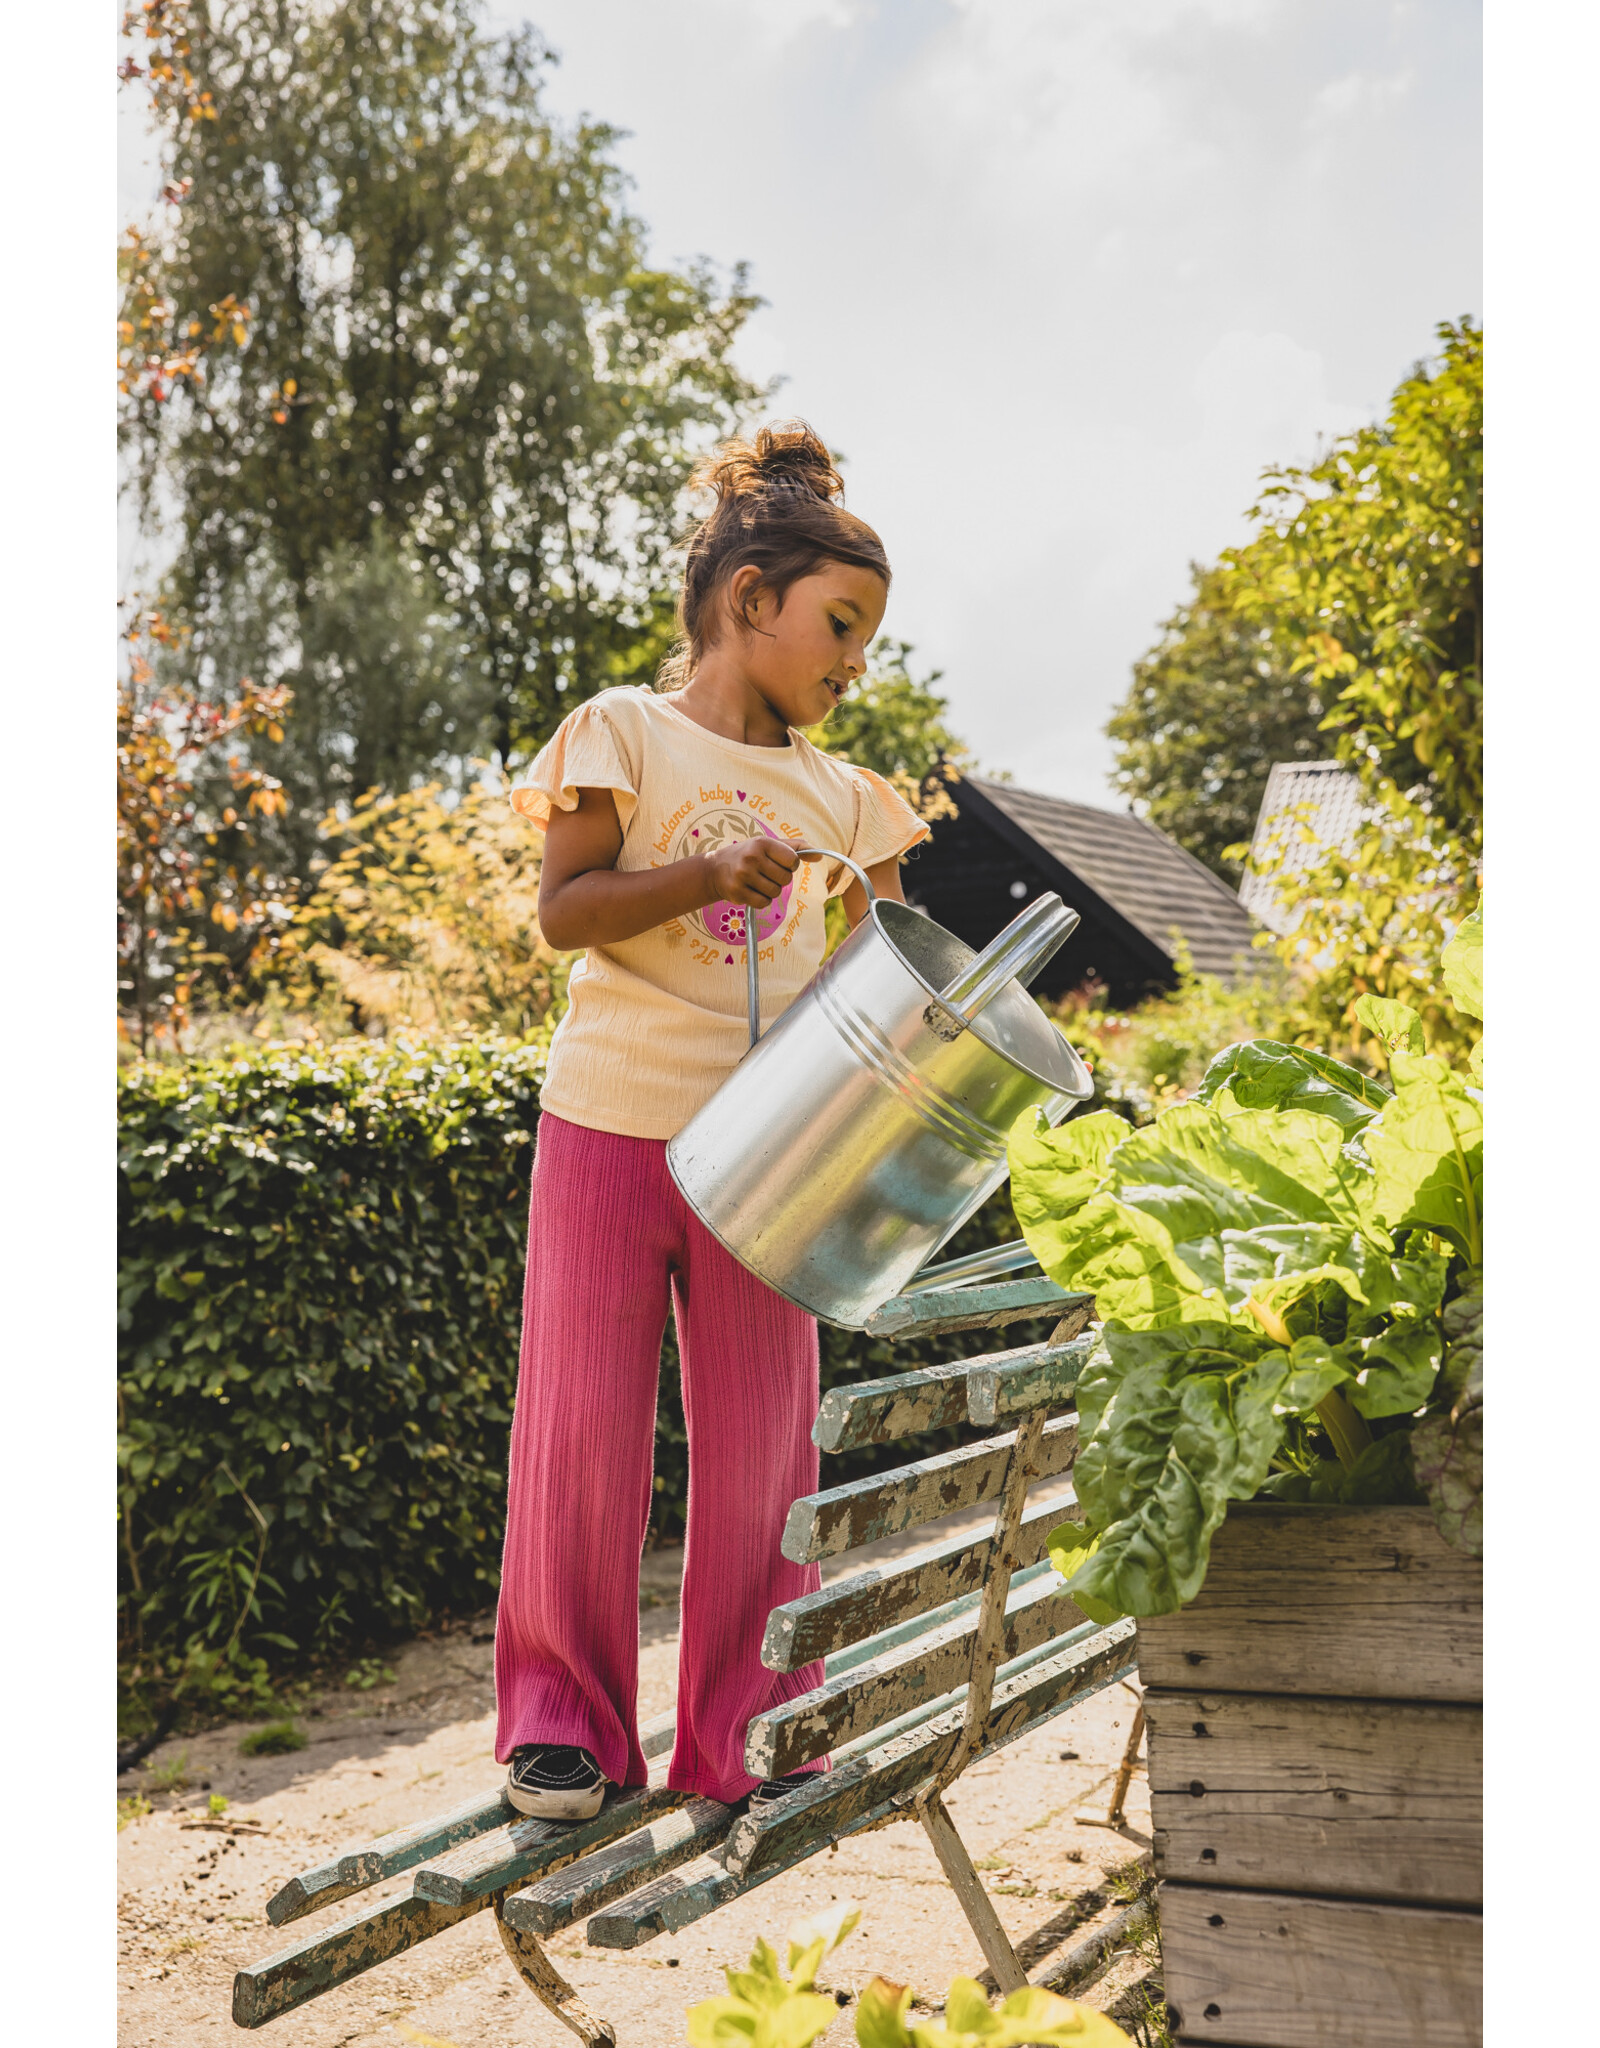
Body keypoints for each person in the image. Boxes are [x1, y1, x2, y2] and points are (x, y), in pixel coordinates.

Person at [494, 421, 930, 1819]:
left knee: (763, 1451)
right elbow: (563, 913)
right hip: (610, 1127)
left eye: (867, 637)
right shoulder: (623, 732)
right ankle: (562, 1725)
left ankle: (754, 1722)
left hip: (770, 1160)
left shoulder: (847, 798)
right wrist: (701, 875)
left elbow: (888, 981)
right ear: (751, 604)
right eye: (841, 626)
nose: (855, 662)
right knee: (580, 1433)